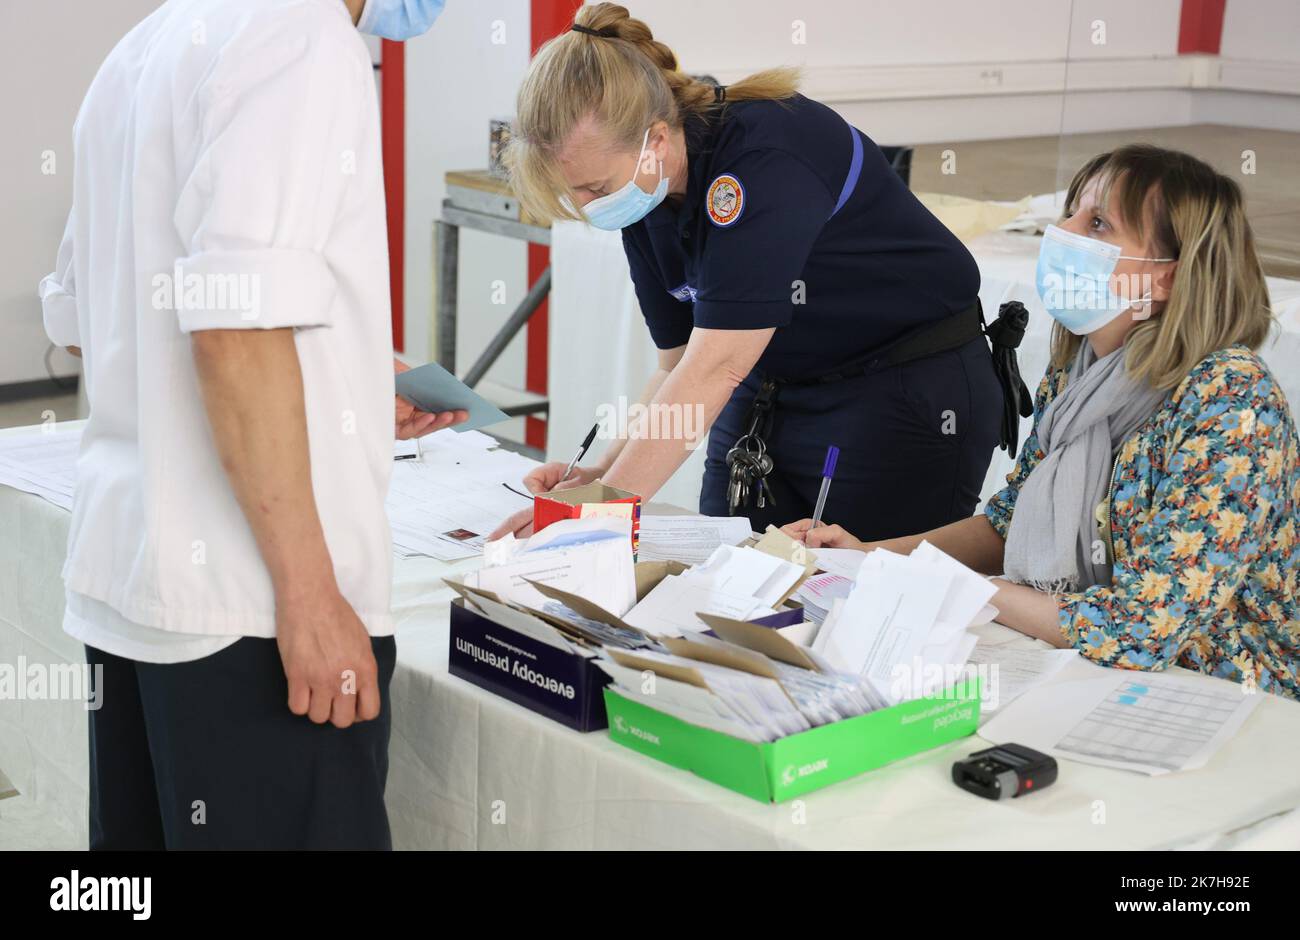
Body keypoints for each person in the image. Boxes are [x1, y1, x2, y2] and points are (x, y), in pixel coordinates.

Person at [38, 0, 459, 850]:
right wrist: (308, 594)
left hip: (137, 585)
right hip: (251, 611)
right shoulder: (301, 35)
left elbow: (97, 320)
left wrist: (337, 382)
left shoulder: (148, 43)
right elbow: (233, 330)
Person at [490, 3, 1024, 542]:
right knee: (725, 584)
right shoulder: (644, 194)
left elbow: (713, 369)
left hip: (900, 392)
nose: (587, 206)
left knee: (851, 597)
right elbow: (676, 366)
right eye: (574, 191)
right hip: (770, 391)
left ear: (654, 140)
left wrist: (599, 516)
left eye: (595, 189)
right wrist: (602, 478)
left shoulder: (765, 156)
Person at [784, 145, 1300, 701]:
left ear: (1168, 278)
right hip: (1090, 664)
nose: (1064, 232)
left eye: (1098, 223)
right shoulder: (1079, 371)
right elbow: (1005, 525)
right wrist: (868, 556)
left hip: (1230, 691)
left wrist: (952, 586)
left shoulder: (1231, 399)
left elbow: (1142, 630)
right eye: (1072, 212)